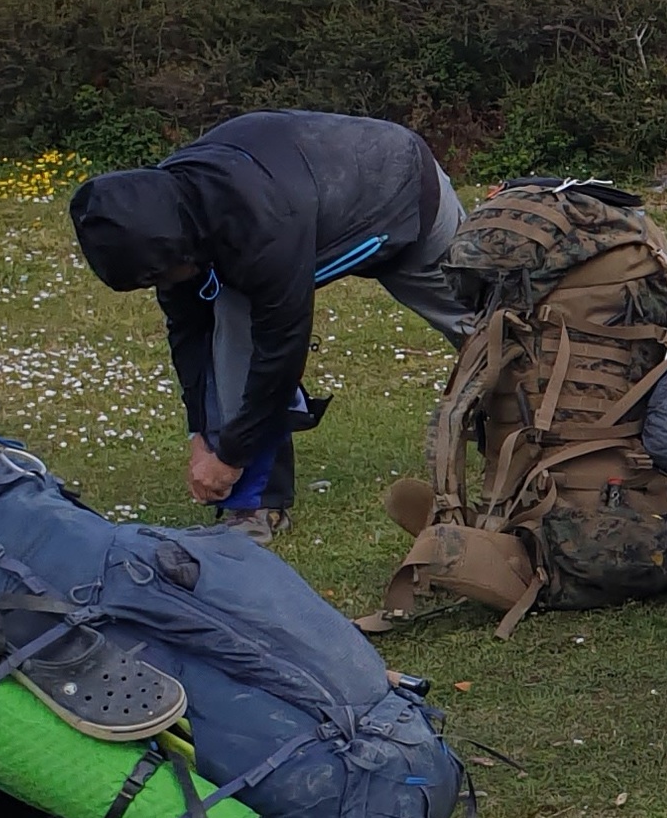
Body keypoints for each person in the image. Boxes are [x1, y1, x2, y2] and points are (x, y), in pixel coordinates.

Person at [66, 114, 479, 533]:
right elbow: (188, 333)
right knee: (231, 319)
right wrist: (201, 435)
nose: (161, 285)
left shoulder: (261, 229)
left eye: (160, 275)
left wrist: (230, 457)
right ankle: (257, 505)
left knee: (484, 327)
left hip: (401, 188)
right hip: (309, 201)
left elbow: (280, 349)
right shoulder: (166, 219)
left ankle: (516, 441)